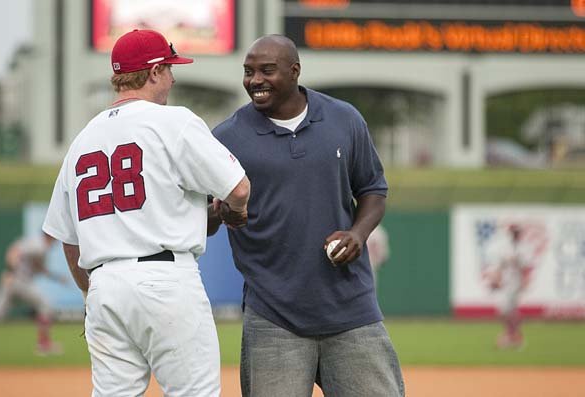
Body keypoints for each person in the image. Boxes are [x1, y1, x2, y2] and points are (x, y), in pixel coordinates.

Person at [42, 29, 250, 397]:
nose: (172, 76)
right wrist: (234, 212)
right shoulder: (173, 122)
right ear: (153, 72)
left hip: (104, 286)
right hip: (165, 278)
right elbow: (239, 187)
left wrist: (92, 293)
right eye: (169, 68)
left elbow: (69, 242)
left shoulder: (82, 140)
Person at [213, 34, 405, 397]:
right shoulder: (227, 137)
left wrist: (358, 235)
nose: (255, 80)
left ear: (295, 71)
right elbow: (205, 217)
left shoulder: (343, 119)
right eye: (248, 71)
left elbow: (373, 189)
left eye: (267, 70)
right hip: (273, 314)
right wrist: (221, 214)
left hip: (350, 308)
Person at [0, 233, 64, 355]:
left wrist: (56, 278)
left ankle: (44, 345)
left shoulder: (38, 245)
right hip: (19, 281)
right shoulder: (39, 245)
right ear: (50, 236)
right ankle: (44, 345)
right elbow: (14, 251)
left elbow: (39, 267)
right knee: (46, 305)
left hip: (14, 282)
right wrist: (10, 271)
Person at [485, 224, 533, 349]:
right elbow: (499, 265)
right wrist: (495, 280)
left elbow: (526, 267)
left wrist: (525, 282)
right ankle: (513, 334)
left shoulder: (524, 248)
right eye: (513, 232)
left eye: (517, 232)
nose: (515, 235)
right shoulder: (505, 247)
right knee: (504, 311)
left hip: (515, 282)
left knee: (511, 310)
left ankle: (512, 336)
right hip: (505, 282)